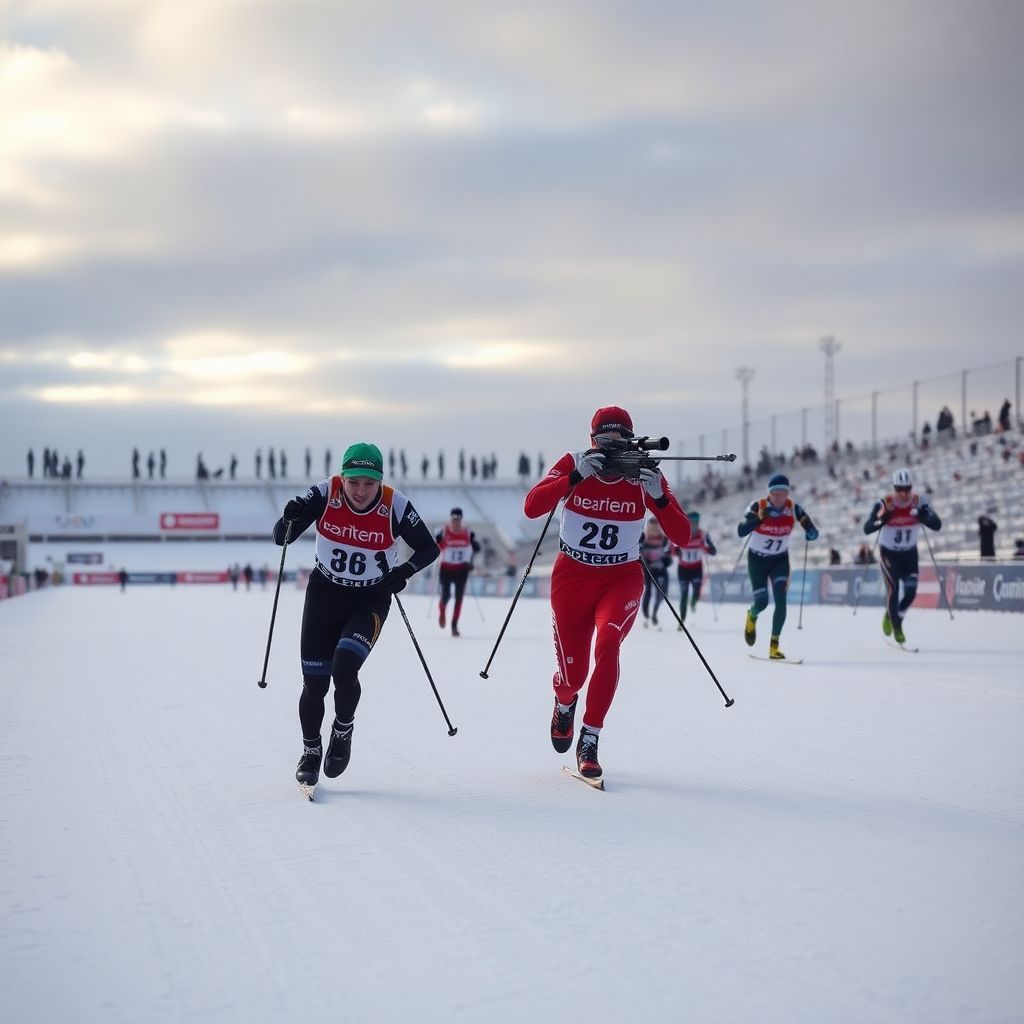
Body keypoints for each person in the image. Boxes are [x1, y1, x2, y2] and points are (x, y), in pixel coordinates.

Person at [524, 406, 690, 783]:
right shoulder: (575, 462)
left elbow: (682, 535)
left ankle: (590, 739)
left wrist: (660, 498)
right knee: (574, 675)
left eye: (620, 441)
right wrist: (574, 477)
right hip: (572, 579)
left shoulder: (643, 473)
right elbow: (532, 507)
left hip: (621, 577)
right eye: (604, 441)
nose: (613, 448)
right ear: (592, 441)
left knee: (609, 643)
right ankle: (564, 701)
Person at [273, 442, 439, 791]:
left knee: (345, 666)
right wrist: (288, 518)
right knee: (314, 684)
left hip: (370, 599)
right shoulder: (325, 493)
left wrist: (404, 571)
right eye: (354, 482)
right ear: (342, 478)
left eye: (369, 483)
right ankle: (311, 752)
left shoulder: (395, 504)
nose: (361, 491)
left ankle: (343, 728)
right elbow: (281, 538)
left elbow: (429, 547)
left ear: (380, 481)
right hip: (324, 595)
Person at [737, 473, 818, 660]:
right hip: (757, 560)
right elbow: (741, 531)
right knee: (762, 602)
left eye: (781, 493)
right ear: (769, 493)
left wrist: (811, 532)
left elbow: (810, 527)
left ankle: (774, 646)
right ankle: (752, 615)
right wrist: (758, 519)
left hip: (780, 560)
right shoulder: (758, 506)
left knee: (781, 600)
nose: (777, 497)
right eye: (774, 493)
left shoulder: (793, 508)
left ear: (787, 493)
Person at [862, 467, 941, 645]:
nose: (904, 493)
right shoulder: (885, 503)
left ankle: (894, 615)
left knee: (911, 592)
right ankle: (897, 628)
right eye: (899, 489)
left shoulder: (920, 502)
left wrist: (925, 517)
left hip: (909, 554)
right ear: (894, 487)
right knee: (894, 590)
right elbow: (867, 528)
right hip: (889, 553)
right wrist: (882, 520)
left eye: (907, 488)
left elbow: (937, 525)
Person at [435, 507, 480, 637]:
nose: (456, 522)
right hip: (446, 568)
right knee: (447, 595)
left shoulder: (468, 533)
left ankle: (454, 626)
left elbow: (474, 549)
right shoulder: (443, 532)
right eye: (453, 519)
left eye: (458, 519)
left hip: (461, 569)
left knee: (459, 598)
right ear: (450, 519)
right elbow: (437, 549)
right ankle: (442, 610)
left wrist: (471, 561)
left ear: (461, 519)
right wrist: (439, 541)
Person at [673, 511, 716, 625]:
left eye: (695, 522)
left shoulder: (703, 535)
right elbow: (672, 550)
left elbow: (713, 551)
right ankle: (682, 621)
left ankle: (693, 603)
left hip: (697, 568)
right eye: (691, 522)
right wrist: (676, 551)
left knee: (697, 591)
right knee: (684, 593)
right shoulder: (681, 533)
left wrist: (707, 547)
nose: (693, 525)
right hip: (683, 568)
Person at [639, 518, 672, 627]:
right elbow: (637, 550)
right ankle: (646, 616)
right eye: (651, 526)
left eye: (656, 526)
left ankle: (654, 613)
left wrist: (667, 560)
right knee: (648, 592)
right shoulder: (643, 537)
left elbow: (668, 552)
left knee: (662, 593)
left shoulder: (663, 539)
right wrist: (643, 560)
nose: (654, 529)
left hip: (660, 569)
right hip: (648, 570)